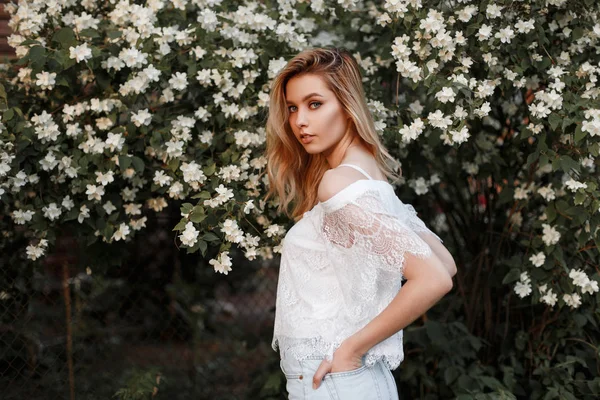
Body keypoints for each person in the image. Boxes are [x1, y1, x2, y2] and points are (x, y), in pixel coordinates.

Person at [265, 47, 457, 400]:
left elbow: (435, 277)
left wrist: (349, 350)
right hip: (352, 379)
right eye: (293, 108)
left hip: (335, 379)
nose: (299, 121)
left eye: (314, 104)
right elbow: (445, 263)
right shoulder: (368, 179)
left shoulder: (339, 182)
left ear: (347, 105)